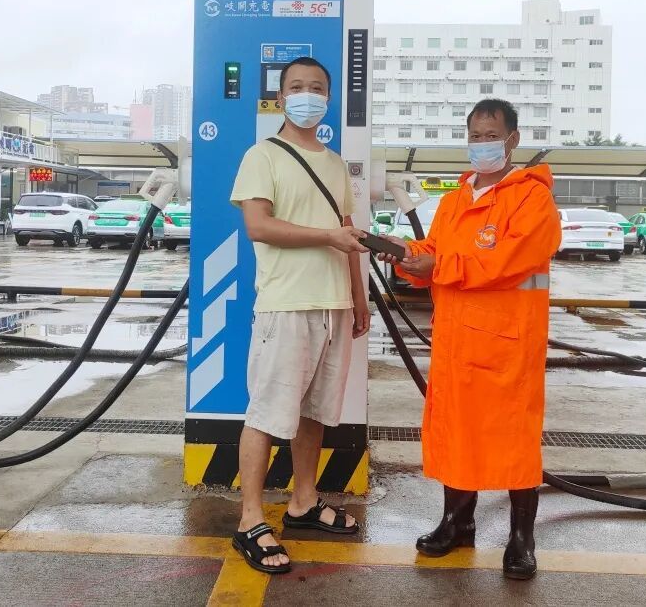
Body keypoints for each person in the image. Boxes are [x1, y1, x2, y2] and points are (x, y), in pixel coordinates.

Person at [379, 97, 561, 581]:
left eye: (491, 136)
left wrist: (439, 265)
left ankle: (521, 540)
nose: (482, 145)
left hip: (508, 345)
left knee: (514, 440)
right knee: (457, 432)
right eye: (475, 137)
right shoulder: (456, 199)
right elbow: (434, 251)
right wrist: (403, 252)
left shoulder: (531, 198)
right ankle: (457, 523)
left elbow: (508, 260)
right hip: (457, 341)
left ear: (512, 140)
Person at [228, 56, 372, 575]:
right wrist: (328, 236)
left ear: (328, 98)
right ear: (281, 98)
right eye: (296, 87)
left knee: (314, 412)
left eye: (316, 88)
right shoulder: (261, 155)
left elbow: (347, 233)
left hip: (333, 305)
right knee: (268, 413)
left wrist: (358, 296)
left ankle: (303, 502)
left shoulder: (335, 163)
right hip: (285, 303)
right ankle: (249, 519)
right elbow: (259, 226)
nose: (307, 95)